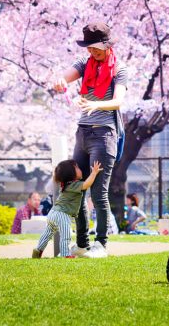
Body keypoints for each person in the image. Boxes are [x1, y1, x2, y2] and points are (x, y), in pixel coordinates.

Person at [54, 21, 128, 259]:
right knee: (76, 188)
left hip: (104, 134)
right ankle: (82, 244)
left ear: (107, 45)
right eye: (88, 47)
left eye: (96, 47)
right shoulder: (84, 65)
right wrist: (60, 82)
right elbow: (64, 77)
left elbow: (118, 101)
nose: (92, 52)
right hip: (83, 133)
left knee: (98, 192)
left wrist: (95, 103)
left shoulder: (119, 70)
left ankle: (101, 244)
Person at [32, 159, 102, 259]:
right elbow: (87, 184)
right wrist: (94, 172)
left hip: (53, 213)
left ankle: (38, 249)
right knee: (65, 236)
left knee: (47, 233)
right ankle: (65, 255)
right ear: (71, 173)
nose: (80, 169)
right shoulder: (74, 184)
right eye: (77, 167)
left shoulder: (65, 185)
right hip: (62, 214)